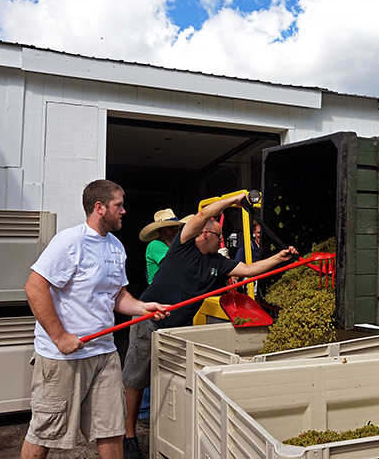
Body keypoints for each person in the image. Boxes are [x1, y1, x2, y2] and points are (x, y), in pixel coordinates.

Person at [121, 193, 298, 459]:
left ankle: (168, 431)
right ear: (204, 235)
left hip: (178, 330)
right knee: (136, 379)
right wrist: (235, 200)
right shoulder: (182, 246)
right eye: (219, 237)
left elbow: (250, 270)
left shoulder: (219, 263)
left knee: (171, 381)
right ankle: (129, 436)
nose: (222, 241)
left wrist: (281, 258)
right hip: (148, 319)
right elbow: (203, 215)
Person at [20, 179, 170, 459]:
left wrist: (143, 308)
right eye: (119, 205)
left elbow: (117, 296)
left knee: (111, 429)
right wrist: (61, 337)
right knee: (45, 431)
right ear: (99, 208)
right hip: (63, 358)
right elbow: (34, 287)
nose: (124, 211)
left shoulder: (115, 247)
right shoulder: (70, 242)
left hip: (104, 353)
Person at [135, 209, 190, 425]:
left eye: (177, 226)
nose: (176, 230)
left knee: (167, 358)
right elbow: (176, 264)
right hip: (155, 308)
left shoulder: (174, 245)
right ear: (161, 231)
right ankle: (145, 411)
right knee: (149, 359)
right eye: (171, 227)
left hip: (171, 306)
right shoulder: (156, 246)